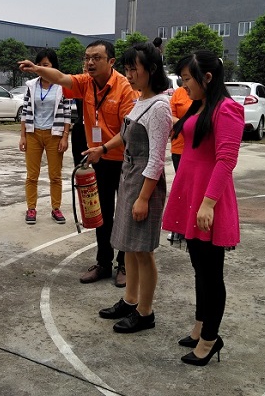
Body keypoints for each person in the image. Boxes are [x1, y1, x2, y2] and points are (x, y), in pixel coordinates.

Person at [19, 40, 136, 287]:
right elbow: (61, 78)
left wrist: (103, 148)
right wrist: (37, 69)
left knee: (125, 214)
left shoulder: (125, 88)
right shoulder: (86, 82)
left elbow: (128, 131)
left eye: (96, 58)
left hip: (123, 160)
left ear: (111, 61)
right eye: (87, 58)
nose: (90, 62)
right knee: (102, 213)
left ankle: (124, 264)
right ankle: (104, 262)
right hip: (100, 159)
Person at [162, 50, 244, 367]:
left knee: (211, 273)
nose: (184, 86)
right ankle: (200, 326)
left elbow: (226, 160)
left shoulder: (227, 109)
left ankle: (211, 338)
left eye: (187, 79)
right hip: (191, 194)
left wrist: (208, 203)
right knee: (199, 268)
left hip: (209, 199)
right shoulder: (201, 105)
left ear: (207, 77)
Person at [85, 43, 171, 333]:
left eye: (134, 69)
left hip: (144, 182)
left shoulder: (159, 106)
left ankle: (145, 313)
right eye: (127, 68)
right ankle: (130, 300)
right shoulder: (140, 99)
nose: (129, 74)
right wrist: (102, 149)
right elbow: (124, 136)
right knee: (130, 247)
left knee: (143, 251)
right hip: (130, 177)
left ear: (152, 69)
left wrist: (144, 198)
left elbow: (157, 159)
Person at [19, 48, 71, 225]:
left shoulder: (62, 86)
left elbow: (67, 114)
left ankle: (56, 208)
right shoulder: (31, 86)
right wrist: (23, 136)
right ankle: (31, 208)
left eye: (46, 65)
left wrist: (65, 137)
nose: (42, 68)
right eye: (39, 65)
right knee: (32, 175)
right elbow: (25, 111)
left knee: (55, 176)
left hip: (54, 134)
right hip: (33, 134)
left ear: (53, 66)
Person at [167, 84, 193, 243]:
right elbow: (170, 117)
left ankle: (194, 226)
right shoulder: (179, 93)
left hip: (197, 150)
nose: (186, 81)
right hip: (179, 148)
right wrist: (190, 123)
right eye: (184, 77)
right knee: (182, 189)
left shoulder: (205, 93)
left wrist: (183, 123)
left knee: (195, 190)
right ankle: (180, 227)